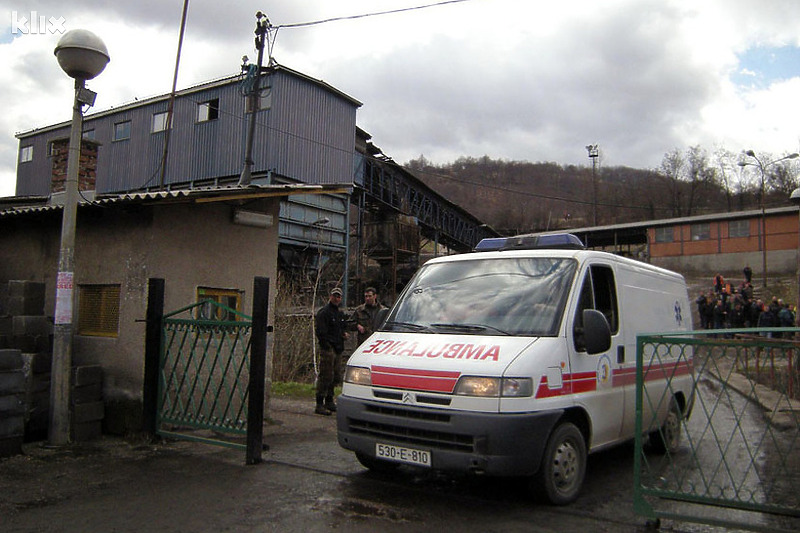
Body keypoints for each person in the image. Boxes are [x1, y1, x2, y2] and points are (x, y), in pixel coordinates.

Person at [314, 287, 349, 415]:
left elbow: (341, 329)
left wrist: (344, 334)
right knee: (325, 376)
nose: (336, 298)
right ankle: (319, 403)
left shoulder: (339, 314)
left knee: (336, 376)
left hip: (338, 349)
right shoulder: (324, 313)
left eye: (339, 296)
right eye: (335, 296)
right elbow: (320, 332)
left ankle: (329, 400)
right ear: (330, 296)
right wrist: (327, 347)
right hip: (328, 349)